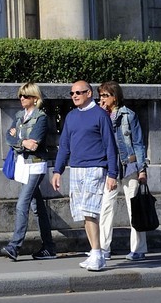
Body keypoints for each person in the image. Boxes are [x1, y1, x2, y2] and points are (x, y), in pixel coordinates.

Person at [51, 80, 119, 271]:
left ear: (89, 93)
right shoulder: (71, 116)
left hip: (96, 168)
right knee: (83, 213)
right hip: (76, 168)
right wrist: (57, 170)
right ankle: (96, 253)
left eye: (78, 92)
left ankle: (97, 253)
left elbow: (110, 146)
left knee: (90, 212)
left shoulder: (100, 115)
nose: (74, 96)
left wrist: (112, 173)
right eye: (72, 93)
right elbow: (64, 145)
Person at [1, 83, 56, 261]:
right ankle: (49, 247)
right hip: (23, 165)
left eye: (25, 96)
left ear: (35, 98)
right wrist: (23, 142)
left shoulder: (41, 118)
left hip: (36, 165)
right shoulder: (19, 116)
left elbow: (35, 143)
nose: (22, 98)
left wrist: (18, 139)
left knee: (22, 204)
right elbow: (8, 137)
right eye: (20, 96)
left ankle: (14, 246)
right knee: (38, 208)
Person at [98, 81, 149, 262]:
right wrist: (101, 114)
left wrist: (142, 170)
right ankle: (103, 248)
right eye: (100, 95)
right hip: (110, 168)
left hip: (129, 166)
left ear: (115, 97)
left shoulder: (129, 115)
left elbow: (138, 143)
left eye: (106, 95)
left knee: (134, 208)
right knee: (106, 207)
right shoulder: (99, 115)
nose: (102, 99)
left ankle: (138, 248)